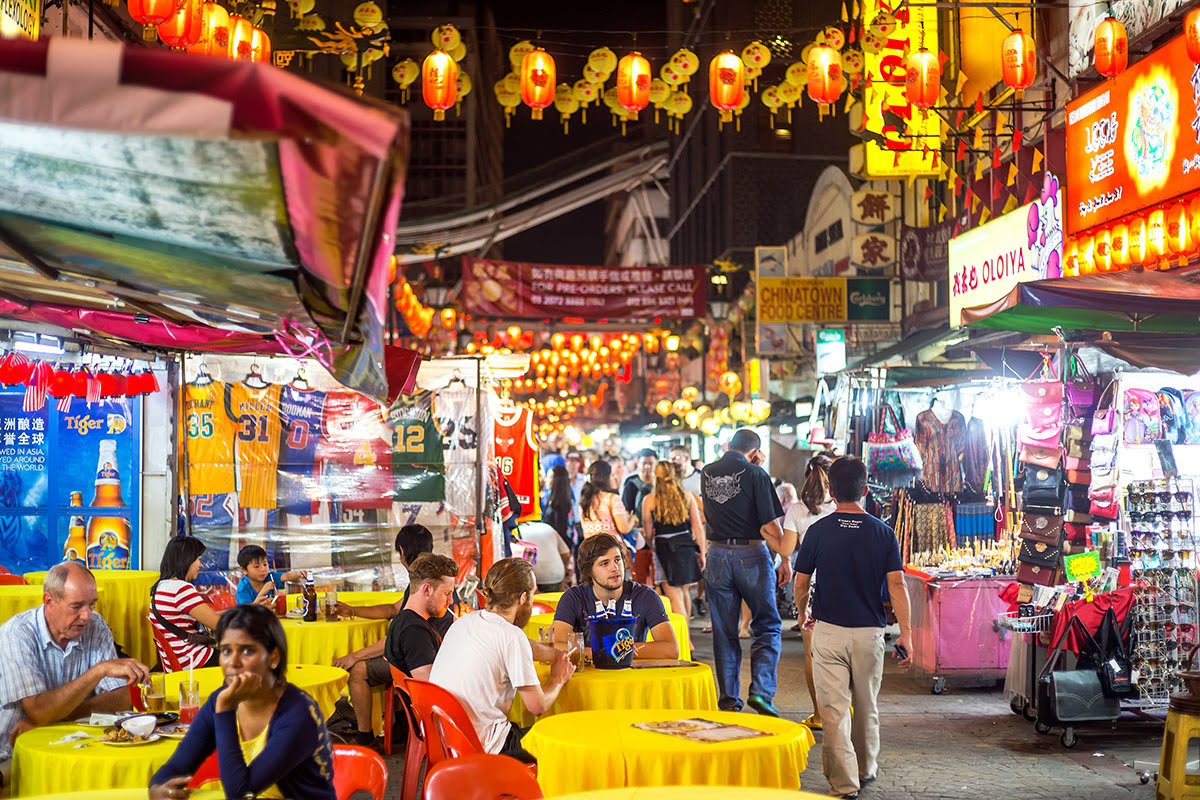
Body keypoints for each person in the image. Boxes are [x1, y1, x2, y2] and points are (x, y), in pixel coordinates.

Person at [794, 456, 912, 800]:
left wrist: (804, 613)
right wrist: (907, 633)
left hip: (828, 632)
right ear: (865, 489)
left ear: (830, 491)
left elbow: (801, 584)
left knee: (832, 712)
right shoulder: (883, 533)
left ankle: (844, 784)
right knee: (866, 704)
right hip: (869, 634)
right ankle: (866, 766)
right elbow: (897, 586)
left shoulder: (817, 531)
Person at [149, 604, 336, 800]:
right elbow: (177, 766)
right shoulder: (220, 701)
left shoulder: (298, 714)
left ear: (273, 658)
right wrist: (158, 789)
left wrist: (225, 711)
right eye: (226, 651)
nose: (233, 662)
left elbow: (241, 793)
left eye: (247, 651)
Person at [0, 563, 149, 772]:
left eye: (91, 605)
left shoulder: (95, 625)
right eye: (77, 606)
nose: (87, 615)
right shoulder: (17, 633)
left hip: (74, 744)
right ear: (49, 601)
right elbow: (39, 712)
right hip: (12, 754)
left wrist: (59, 717)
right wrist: (98, 671)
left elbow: (123, 696)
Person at [430, 558, 574, 762]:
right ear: (523, 598)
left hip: (448, 737)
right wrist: (558, 679)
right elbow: (537, 706)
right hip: (487, 746)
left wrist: (554, 655)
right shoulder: (511, 636)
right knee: (561, 740)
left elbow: (520, 644)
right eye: (532, 595)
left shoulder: (466, 621)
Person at [332, 524, 453, 747]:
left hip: (424, 661)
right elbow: (393, 609)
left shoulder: (423, 584)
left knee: (358, 670)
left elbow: (398, 638)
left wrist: (354, 656)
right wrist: (353, 610)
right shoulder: (428, 577)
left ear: (402, 551)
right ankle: (399, 725)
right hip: (431, 658)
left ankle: (365, 737)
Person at [700, 428, 792, 717]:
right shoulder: (756, 474)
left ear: (730, 446)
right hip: (751, 554)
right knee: (767, 625)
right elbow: (768, 524)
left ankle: (728, 700)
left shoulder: (707, 471)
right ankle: (761, 692)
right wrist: (784, 555)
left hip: (715, 554)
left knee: (724, 631)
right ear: (755, 452)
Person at [550, 533, 678, 659]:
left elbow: (671, 649)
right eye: (604, 563)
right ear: (589, 570)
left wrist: (623, 649)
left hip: (630, 677)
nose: (615, 568)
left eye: (617, 560)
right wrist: (604, 652)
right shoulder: (573, 598)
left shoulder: (645, 596)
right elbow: (554, 646)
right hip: (590, 677)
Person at [784, 452, 837, 730]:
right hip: (841, 585)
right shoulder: (846, 506)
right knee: (841, 651)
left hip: (810, 587)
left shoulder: (796, 510)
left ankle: (818, 714)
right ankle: (841, 707)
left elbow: (786, 549)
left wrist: (766, 531)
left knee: (812, 654)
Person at [641, 462, 704, 619]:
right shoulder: (687, 496)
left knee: (674, 597)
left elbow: (648, 534)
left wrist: (651, 544)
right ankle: (687, 637)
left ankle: (685, 641)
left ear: (656, 477)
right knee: (684, 592)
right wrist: (703, 552)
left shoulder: (649, 500)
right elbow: (697, 527)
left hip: (664, 548)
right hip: (686, 546)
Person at [150, 536, 223, 670]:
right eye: (198, 560)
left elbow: (209, 615)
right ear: (186, 560)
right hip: (193, 661)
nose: (200, 565)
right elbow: (219, 624)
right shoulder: (181, 589)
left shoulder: (161, 587)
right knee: (247, 661)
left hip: (176, 662)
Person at [383, 554, 458, 681]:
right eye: (447, 593)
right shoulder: (414, 631)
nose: (450, 601)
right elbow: (431, 685)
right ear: (427, 590)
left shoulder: (406, 621)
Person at [234, 545, 307, 606]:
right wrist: (264, 590)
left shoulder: (271, 577)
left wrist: (298, 574)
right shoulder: (243, 588)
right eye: (257, 566)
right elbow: (246, 613)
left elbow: (286, 576)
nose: (263, 569)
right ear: (244, 570)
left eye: (265, 564)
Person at [579, 460, 634, 539]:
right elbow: (624, 528)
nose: (613, 477)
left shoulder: (584, 500)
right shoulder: (612, 499)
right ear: (605, 478)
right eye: (611, 475)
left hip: (591, 549)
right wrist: (633, 519)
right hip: (610, 548)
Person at [542, 464, 575, 550]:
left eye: (549, 477)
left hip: (558, 547)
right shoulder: (550, 498)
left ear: (557, 480)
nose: (546, 480)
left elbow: (561, 530)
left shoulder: (562, 503)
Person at [621, 448, 657, 519]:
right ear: (638, 463)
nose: (647, 467)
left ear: (656, 463)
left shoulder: (661, 482)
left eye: (651, 463)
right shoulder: (631, 483)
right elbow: (626, 510)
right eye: (644, 463)